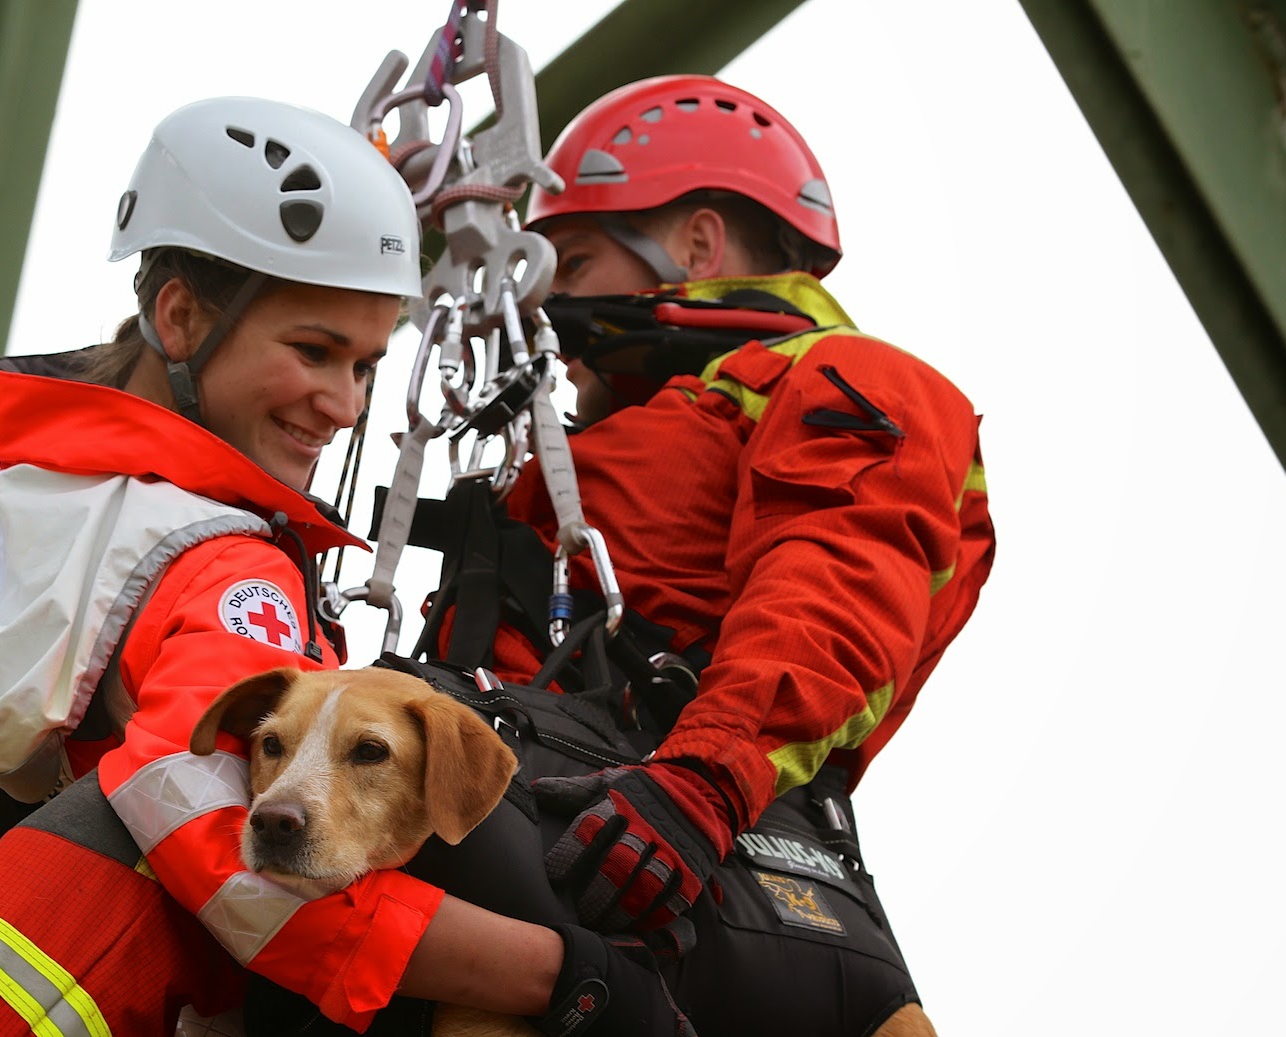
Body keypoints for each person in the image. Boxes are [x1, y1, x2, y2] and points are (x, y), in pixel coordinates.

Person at [0, 96, 693, 1037]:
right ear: (179, 317)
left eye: (368, 366)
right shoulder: (219, 569)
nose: (343, 404)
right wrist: (559, 974)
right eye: (313, 350)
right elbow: (220, 851)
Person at [361, 73, 995, 1037]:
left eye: (568, 263)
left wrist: (701, 781)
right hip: (545, 825)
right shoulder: (598, 444)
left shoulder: (848, 378)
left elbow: (837, 582)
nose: (543, 303)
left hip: (653, 824)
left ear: (696, 243)